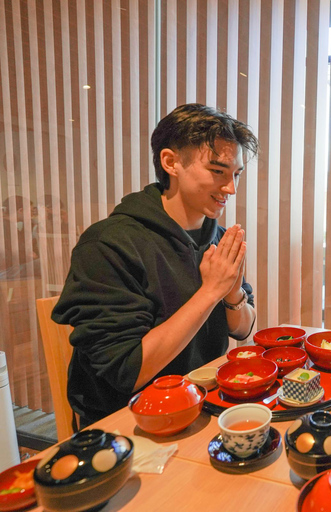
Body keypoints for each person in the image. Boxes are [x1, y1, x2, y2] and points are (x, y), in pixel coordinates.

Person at [52, 103, 259, 427]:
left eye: (236, 175)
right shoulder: (109, 245)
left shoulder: (216, 236)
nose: (231, 188)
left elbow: (243, 328)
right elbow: (128, 371)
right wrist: (211, 291)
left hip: (205, 405)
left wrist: (233, 294)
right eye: (218, 171)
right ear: (171, 162)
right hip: (125, 424)